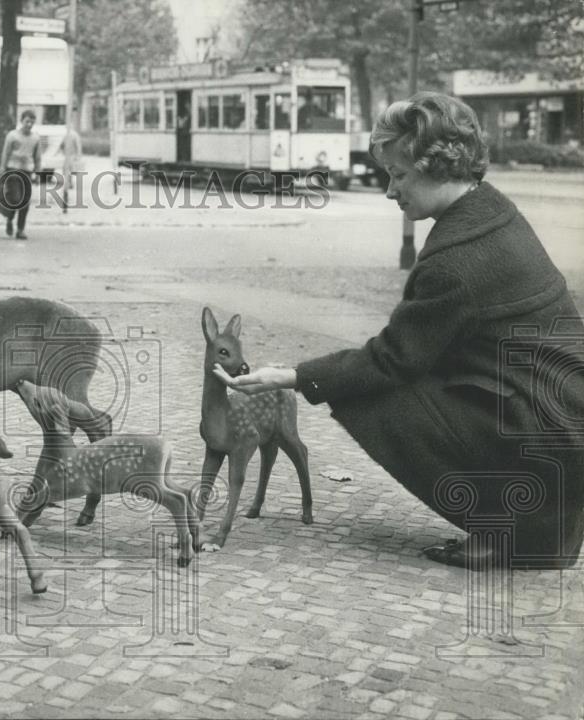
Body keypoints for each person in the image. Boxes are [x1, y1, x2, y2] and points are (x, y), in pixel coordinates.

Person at [214, 91, 584, 570]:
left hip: (550, 435)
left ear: (437, 167)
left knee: (369, 396)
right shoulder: (492, 211)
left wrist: (292, 376)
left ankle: (507, 531)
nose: (390, 191)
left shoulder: (457, 259)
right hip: (564, 417)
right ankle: (546, 528)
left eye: (399, 174)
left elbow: (392, 360)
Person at [0, 109, 42, 239]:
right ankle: (9, 220)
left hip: (27, 171)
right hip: (13, 170)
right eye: (27, 121)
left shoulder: (35, 138)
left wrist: (38, 173)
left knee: (25, 201)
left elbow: (37, 157)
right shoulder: (12, 135)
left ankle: (20, 229)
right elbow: (5, 152)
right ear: (21, 121)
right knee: (16, 199)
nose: (29, 124)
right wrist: (2, 167)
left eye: (32, 122)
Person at [58, 111, 83, 212]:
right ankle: (68, 182)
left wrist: (77, 155)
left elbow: (75, 146)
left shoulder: (69, 135)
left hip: (70, 156)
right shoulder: (71, 135)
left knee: (68, 169)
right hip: (69, 156)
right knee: (68, 170)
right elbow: (77, 146)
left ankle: (68, 182)